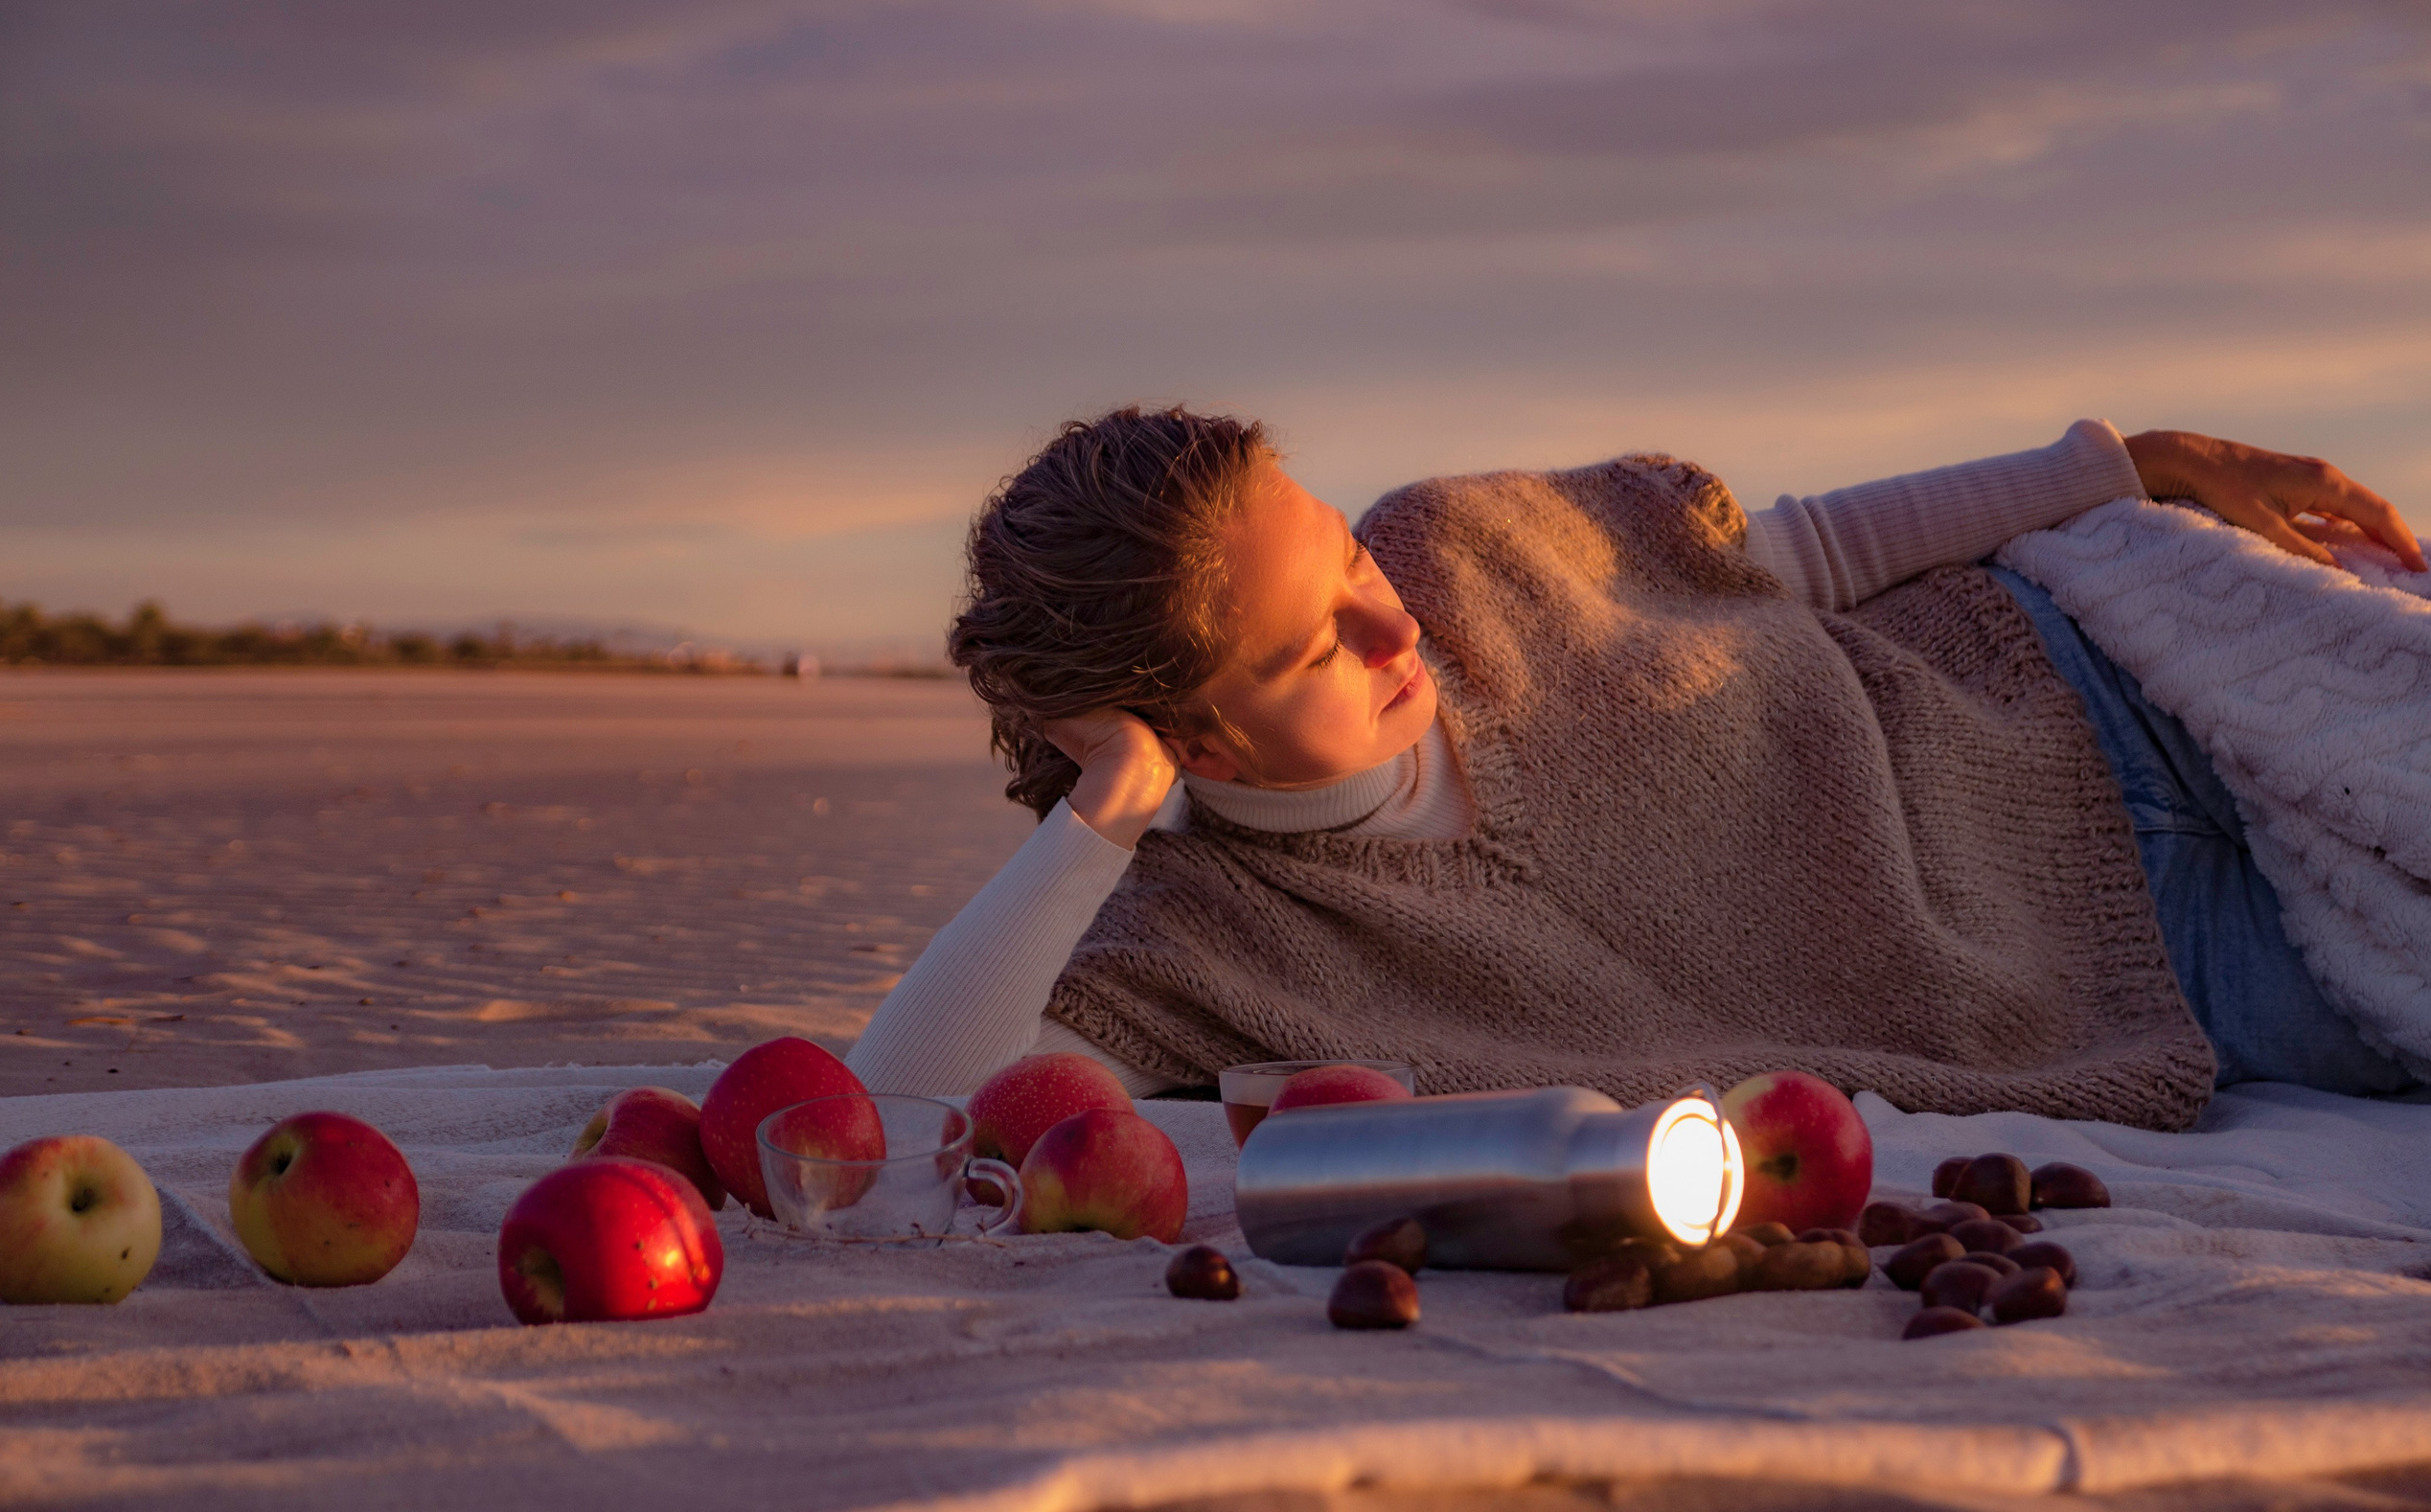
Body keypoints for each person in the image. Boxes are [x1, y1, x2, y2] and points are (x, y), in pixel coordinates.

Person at [847, 409, 2423, 1124]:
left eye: (1343, 560)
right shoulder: (1202, 947)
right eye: (1311, 650)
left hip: (2090, 660)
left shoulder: (1458, 541)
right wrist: (1101, 818)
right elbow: (905, 1111)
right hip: (2162, 972)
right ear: (1186, 734)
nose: (1391, 626)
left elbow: (1806, 552)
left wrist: (2125, 464)